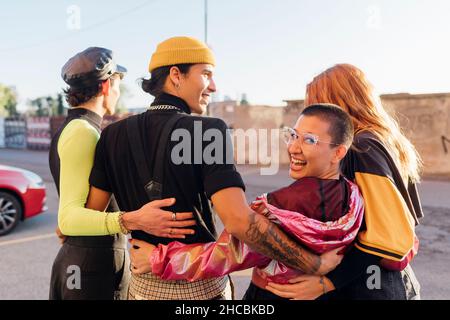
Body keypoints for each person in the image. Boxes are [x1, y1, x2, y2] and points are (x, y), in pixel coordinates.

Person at [86, 36, 342, 300]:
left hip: (140, 290)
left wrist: (132, 220)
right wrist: (314, 264)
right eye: (206, 74)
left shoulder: (111, 135)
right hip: (201, 291)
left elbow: (94, 213)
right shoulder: (207, 131)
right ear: (176, 74)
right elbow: (240, 221)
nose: (214, 86)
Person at [130, 104, 365, 300]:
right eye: (293, 135)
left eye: (309, 140)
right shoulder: (353, 195)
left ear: (338, 153)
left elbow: (227, 254)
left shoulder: (289, 202)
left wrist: (158, 258)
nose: (293, 147)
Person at [265, 64, 423, 300]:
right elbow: (411, 218)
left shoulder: (362, 145)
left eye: (316, 102)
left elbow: (388, 234)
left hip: (373, 284)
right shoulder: (386, 139)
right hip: (386, 278)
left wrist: (328, 282)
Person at [49, 47, 195, 300]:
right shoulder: (84, 132)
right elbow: (69, 217)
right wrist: (132, 219)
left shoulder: (77, 127)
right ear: (106, 86)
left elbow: (72, 207)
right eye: (117, 84)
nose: (117, 92)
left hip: (87, 261)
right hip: (90, 267)